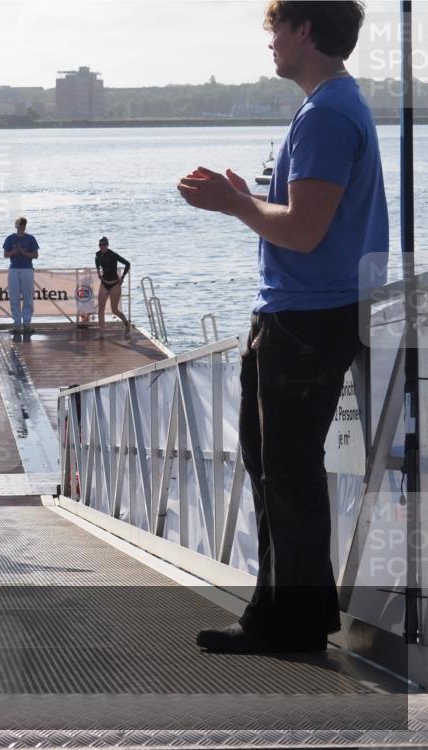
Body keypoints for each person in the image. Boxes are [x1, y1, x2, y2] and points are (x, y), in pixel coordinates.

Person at [177, 0, 386, 653]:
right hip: (308, 311)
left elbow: (304, 229)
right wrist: (249, 198)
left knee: (287, 471)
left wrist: (235, 204)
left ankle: (289, 624)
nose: (269, 44)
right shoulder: (331, 105)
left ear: (304, 30)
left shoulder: (326, 113)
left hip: (307, 317)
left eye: (274, 31)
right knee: (277, 467)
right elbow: (307, 218)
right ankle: (288, 614)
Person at [2, 217, 39, 333]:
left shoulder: (31, 238)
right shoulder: (10, 238)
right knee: (14, 297)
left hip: (27, 269)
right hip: (14, 269)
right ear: (16, 226)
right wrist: (14, 252)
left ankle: (27, 323)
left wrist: (23, 252)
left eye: (24, 225)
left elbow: (35, 255)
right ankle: (17, 323)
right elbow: (5, 254)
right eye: (20, 225)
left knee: (28, 296)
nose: (22, 227)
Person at [94, 236, 132, 339]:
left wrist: (123, 277)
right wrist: (98, 271)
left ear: (107, 245)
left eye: (104, 245)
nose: (102, 247)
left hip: (115, 284)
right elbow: (97, 261)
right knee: (100, 309)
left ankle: (127, 324)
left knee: (114, 310)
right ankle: (101, 333)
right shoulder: (98, 254)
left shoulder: (113, 255)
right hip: (104, 283)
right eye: (100, 245)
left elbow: (127, 264)